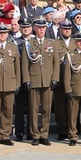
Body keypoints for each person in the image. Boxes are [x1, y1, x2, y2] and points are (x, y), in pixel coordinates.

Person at [24, 18, 62, 146]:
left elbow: (56, 63)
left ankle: (44, 134)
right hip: (34, 80)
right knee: (34, 110)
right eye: (39, 27)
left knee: (46, 109)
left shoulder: (52, 43)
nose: (41, 30)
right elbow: (25, 64)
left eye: (43, 27)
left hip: (47, 80)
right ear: (34, 28)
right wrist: (26, 79)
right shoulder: (29, 43)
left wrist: (55, 78)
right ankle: (35, 134)